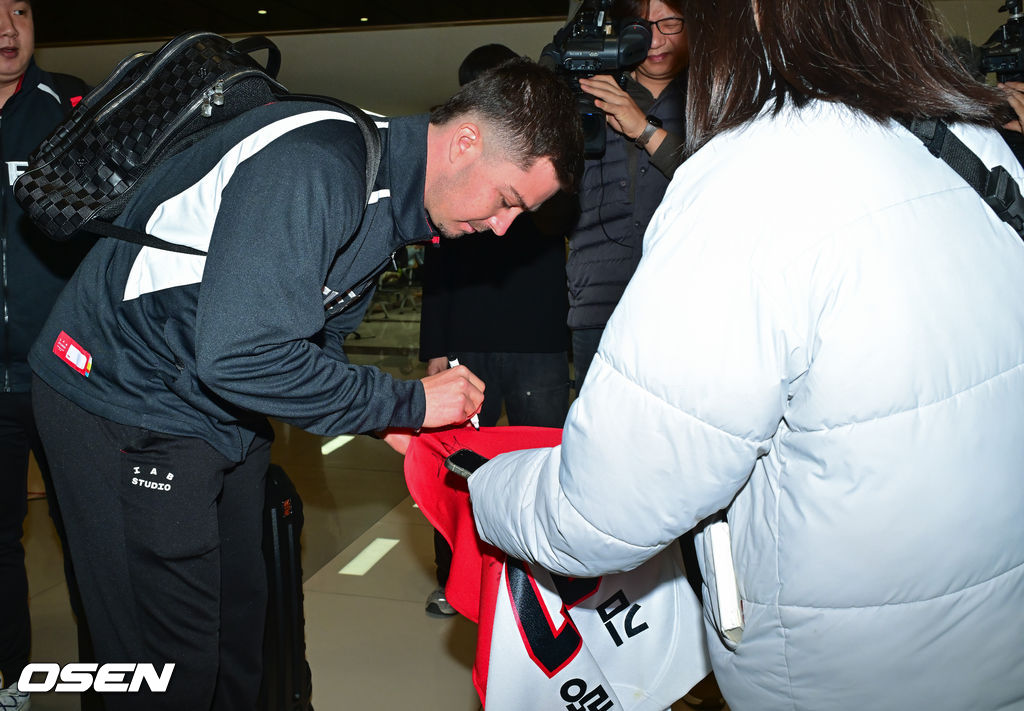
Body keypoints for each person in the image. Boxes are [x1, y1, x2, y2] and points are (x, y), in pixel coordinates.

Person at [460, 1, 1024, 710]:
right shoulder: (973, 143)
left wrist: (485, 487)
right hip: (997, 639)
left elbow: (604, 508)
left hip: (838, 671)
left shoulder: (752, 181)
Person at [27, 58, 582, 710]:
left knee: (242, 635)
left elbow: (315, 340)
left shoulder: (389, 197)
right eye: (508, 199)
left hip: (215, 406)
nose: (504, 226)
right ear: (466, 142)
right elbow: (242, 356)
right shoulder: (321, 163)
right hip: (121, 397)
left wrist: (386, 421)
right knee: (167, 665)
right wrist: (406, 401)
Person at [419, 44, 573, 618]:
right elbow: (436, 264)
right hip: (467, 338)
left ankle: (551, 585)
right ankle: (455, 580)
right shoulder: (455, 174)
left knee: (547, 464)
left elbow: (562, 216)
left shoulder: (541, 157)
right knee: (457, 464)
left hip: (538, 339)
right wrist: (435, 348)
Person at [0, 1, 92, 709]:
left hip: (65, 374)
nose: (8, 27)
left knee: (90, 535)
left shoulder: (71, 109)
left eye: (21, 10)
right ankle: (9, 678)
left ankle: (111, 683)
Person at [567, 0, 688, 391]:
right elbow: (554, 211)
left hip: (685, 302)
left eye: (669, 23)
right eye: (641, 28)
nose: (655, 40)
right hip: (599, 302)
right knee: (596, 425)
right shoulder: (590, 93)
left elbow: (721, 186)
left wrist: (643, 130)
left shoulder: (713, 98)